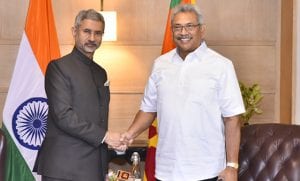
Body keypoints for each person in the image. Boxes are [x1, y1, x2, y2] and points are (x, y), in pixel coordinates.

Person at [121, 4, 245, 181]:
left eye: (189, 26)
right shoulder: (160, 64)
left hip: (207, 170)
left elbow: (232, 118)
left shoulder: (221, 66)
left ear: (202, 30)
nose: (183, 32)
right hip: (167, 170)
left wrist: (232, 166)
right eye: (177, 27)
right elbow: (149, 109)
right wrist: (129, 135)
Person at [33, 9, 122, 181]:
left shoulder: (101, 73)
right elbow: (63, 116)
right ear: (74, 32)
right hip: (64, 168)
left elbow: (99, 118)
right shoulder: (58, 68)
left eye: (97, 33)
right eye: (86, 31)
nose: (92, 38)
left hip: (94, 167)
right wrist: (106, 136)